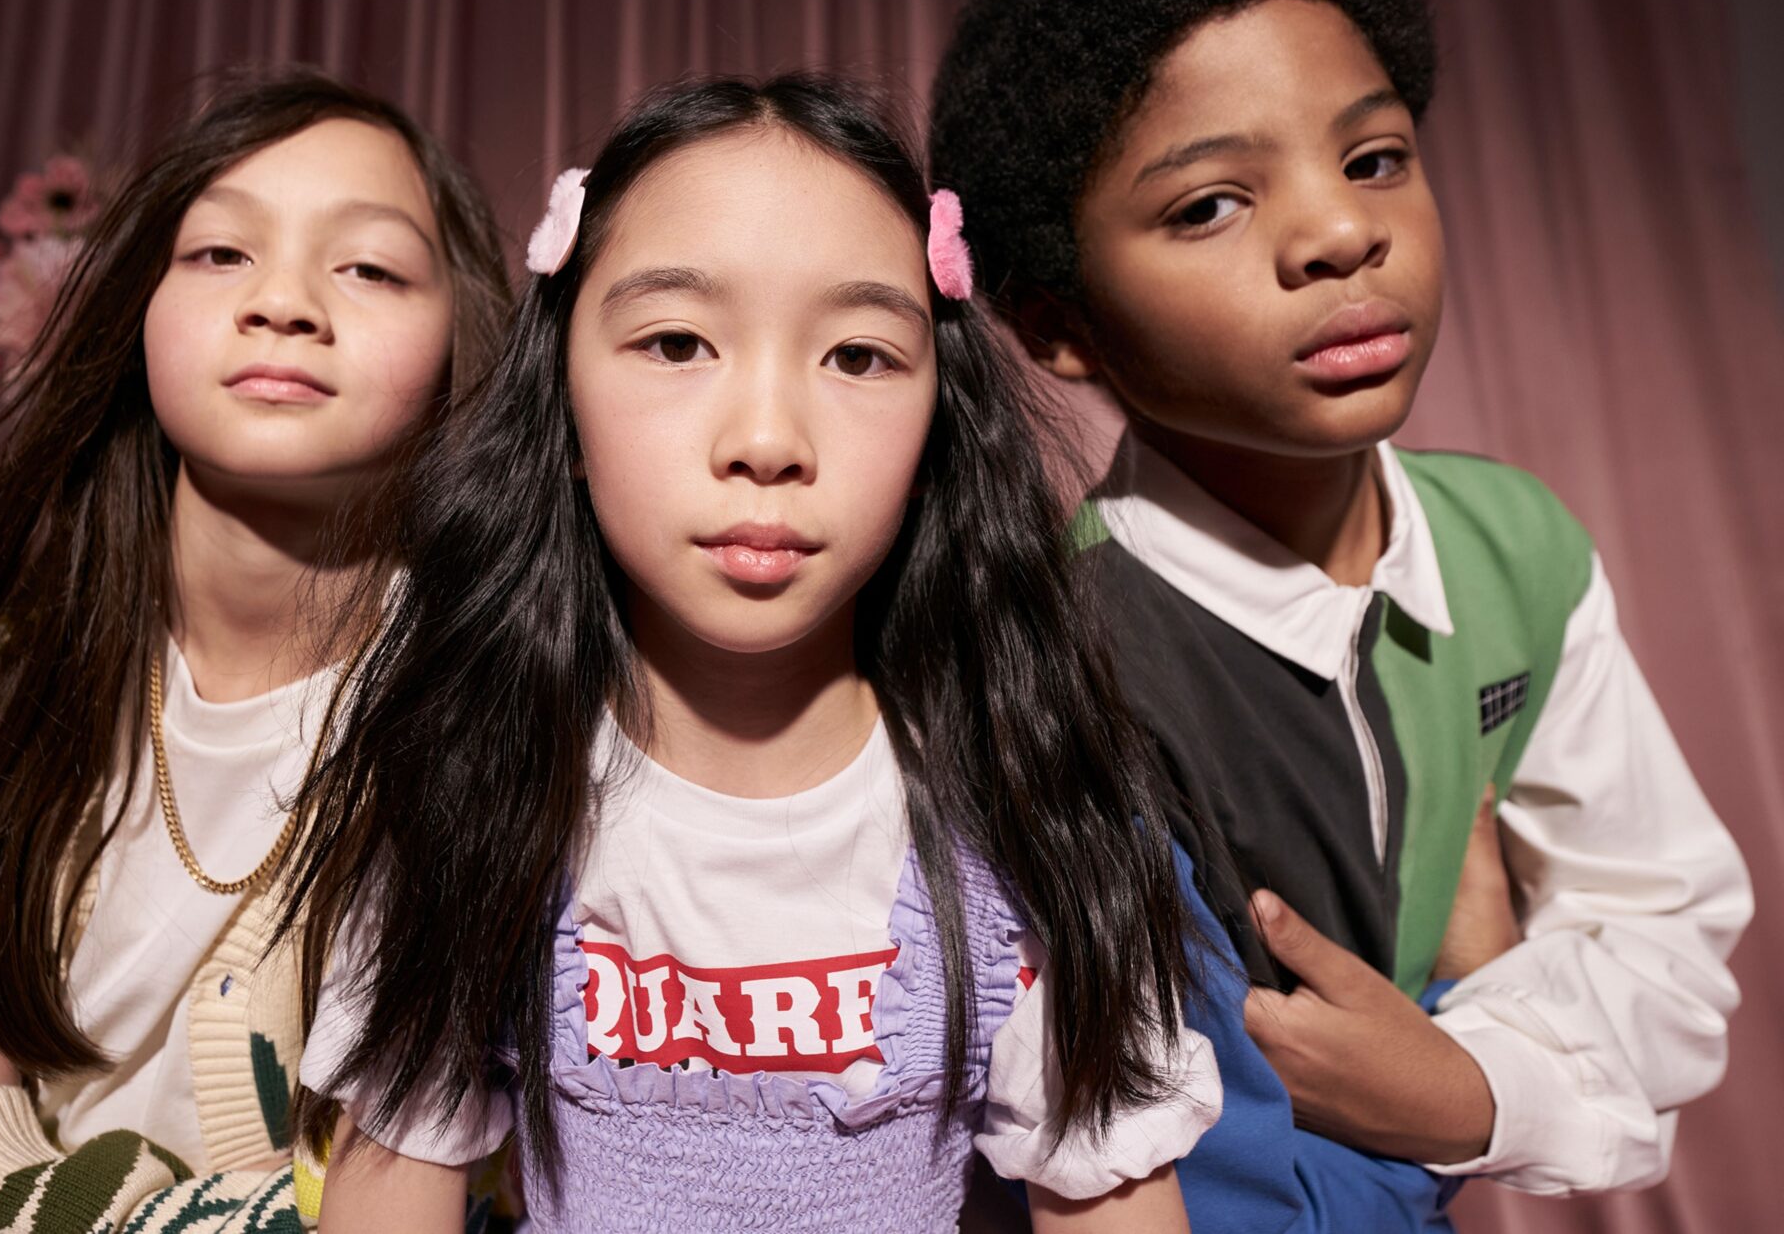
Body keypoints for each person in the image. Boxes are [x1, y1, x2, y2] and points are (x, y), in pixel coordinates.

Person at [929, 0, 1752, 1228]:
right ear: (1054, 320)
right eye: (1209, 203)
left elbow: (1671, 951)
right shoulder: (1056, 659)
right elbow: (1189, 1144)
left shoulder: (1515, 553)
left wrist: (1464, 1078)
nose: (1336, 231)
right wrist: (1500, 1000)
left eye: (1374, 157)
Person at [288, 73, 1222, 1233]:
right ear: (561, 404)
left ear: (939, 426)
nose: (768, 439)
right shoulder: (475, 789)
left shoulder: (1022, 822)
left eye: (858, 355)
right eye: (677, 341)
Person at [0, 68, 514, 1232]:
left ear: (462, 342)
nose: (285, 301)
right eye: (219, 255)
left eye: (368, 265)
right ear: (135, 310)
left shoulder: (492, 740)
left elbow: (428, 1211)